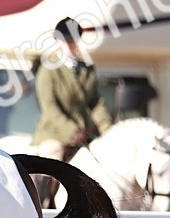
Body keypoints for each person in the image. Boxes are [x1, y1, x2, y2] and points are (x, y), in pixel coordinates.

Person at [30, 16, 112, 205]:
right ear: (57, 41)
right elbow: (50, 108)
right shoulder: (48, 70)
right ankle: (42, 205)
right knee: (52, 155)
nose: (70, 44)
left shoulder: (87, 68)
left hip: (85, 133)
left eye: (73, 39)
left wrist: (107, 128)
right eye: (66, 40)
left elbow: (96, 102)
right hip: (55, 131)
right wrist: (71, 130)